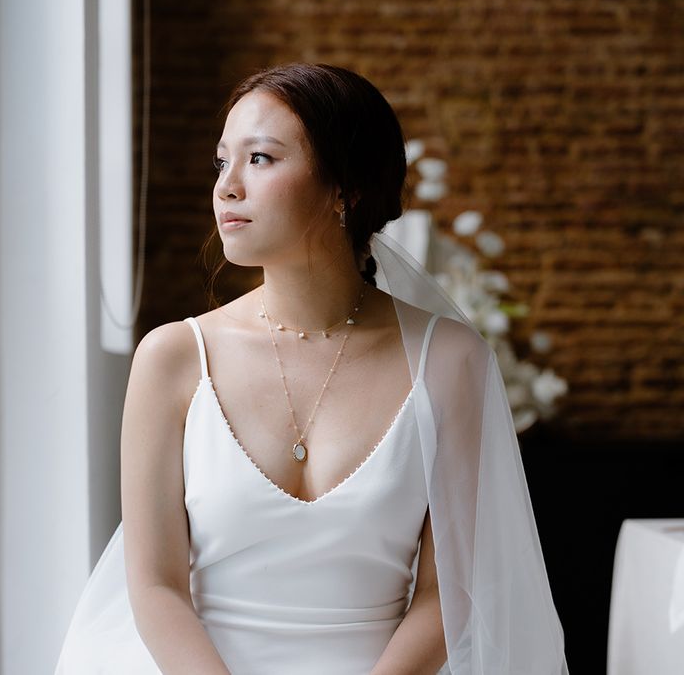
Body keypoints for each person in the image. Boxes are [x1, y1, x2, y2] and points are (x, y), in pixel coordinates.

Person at [55, 63, 569, 674]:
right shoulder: (172, 359)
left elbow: (447, 590)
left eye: (262, 158)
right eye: (222, 162)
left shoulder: (450, 362)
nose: (227, 187)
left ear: (344, 189)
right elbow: (156, 585)